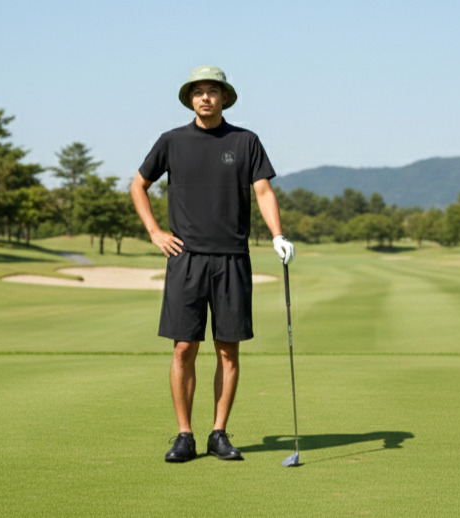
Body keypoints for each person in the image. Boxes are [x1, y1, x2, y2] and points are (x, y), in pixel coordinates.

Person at [130, 65, 295, 463]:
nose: (205, 97)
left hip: (232, 258)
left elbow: (263, 191)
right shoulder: (171, 141)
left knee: (228, 350)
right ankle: (184, 435)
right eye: (198, 91)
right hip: (185, 258)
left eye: (212, 91)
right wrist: (154, 232)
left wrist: (277, 235)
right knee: (184, 347)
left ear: (224, 98)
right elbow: (138, 185)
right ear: (191, 99)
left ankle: (218, 433)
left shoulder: (245, 141)